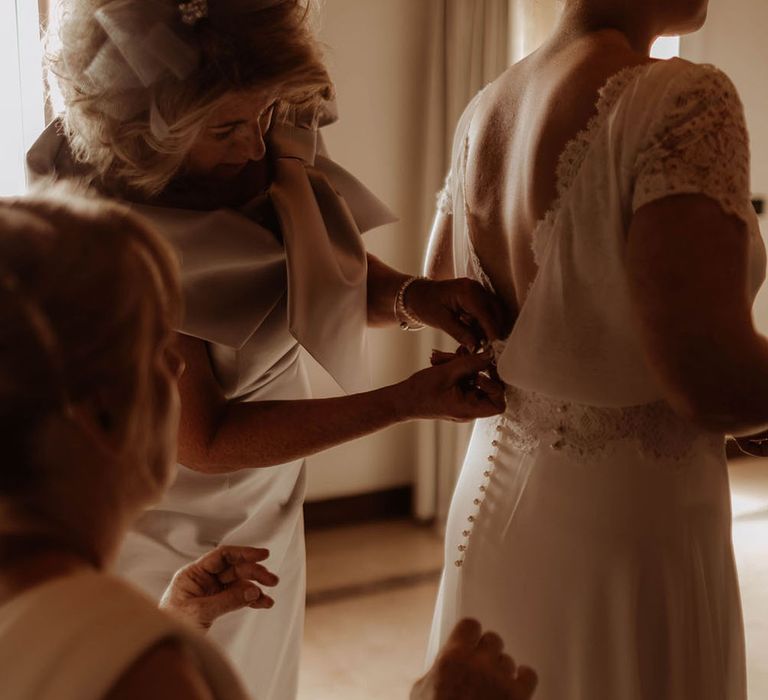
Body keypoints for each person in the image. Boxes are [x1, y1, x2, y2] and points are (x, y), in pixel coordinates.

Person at [29, 1, 510, 696]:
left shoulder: (262, 125)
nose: (255, 146)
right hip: (176, 532)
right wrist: (408, 401)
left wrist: (415, 299)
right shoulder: (119, 237)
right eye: (227, 128)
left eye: (262, 116)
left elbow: (307, 264)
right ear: (149, 129)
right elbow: (207, 439)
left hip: (271, 493)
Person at [0, 188, 532, 700]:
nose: (179, 364)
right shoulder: (136, 670)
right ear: (100, 416)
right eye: (153, 348)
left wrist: (178, 619)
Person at [424, 0, 767, 698]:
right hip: (631, 530)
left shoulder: (485, 109)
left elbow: (442, 291)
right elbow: (714, 383)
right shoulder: (682, 97)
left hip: (493, 503)